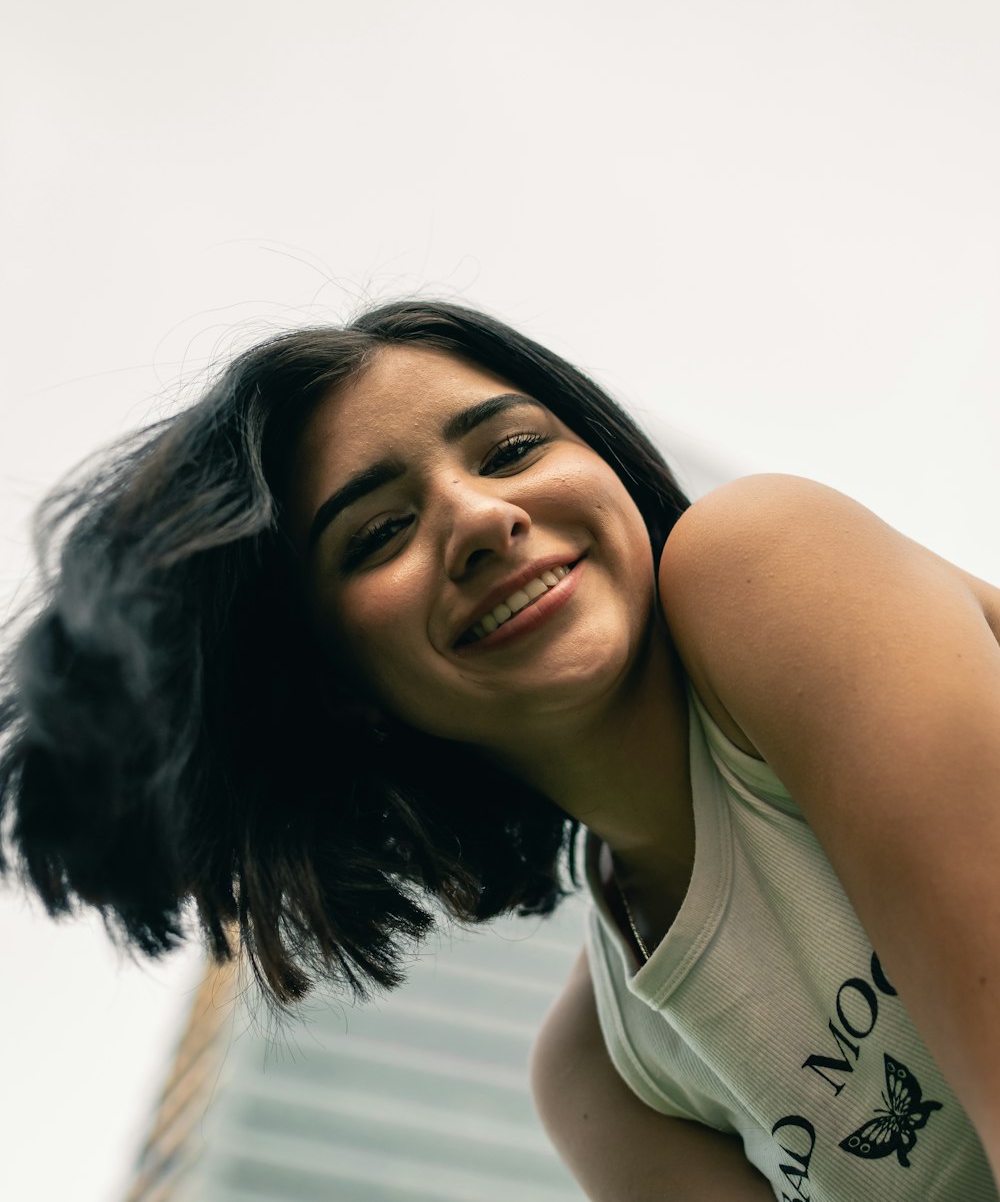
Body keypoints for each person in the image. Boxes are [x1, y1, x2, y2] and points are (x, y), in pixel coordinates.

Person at [1, 298, 997, 1201]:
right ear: (343, 693)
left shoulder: (765, 560)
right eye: (380, 532)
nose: (480, 518)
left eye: (512, 448)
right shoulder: (601, 1076)